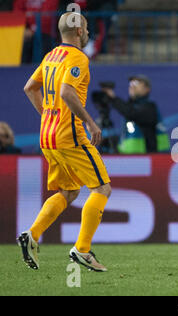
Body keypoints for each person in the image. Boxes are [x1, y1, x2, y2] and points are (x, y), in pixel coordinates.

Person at [19, 12, 111, 272]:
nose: (89, 32)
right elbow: (66, 92)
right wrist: (91, 123)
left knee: (69, 192)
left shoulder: (50, 56)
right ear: (80, 32)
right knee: (102, 188)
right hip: (69, 135)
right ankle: (82, 250)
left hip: (47, 135)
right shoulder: (78, 57)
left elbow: (29, 87)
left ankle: (32, 235)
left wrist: (48, 115)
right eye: (87, 28)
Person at [103, 74, 165, 153]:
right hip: (129, 158)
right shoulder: (131, 106)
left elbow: (131, 113)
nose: (132, 86)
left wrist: (113, 99)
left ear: (147, 89)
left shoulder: (150, 107)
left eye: (136, 83)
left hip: (149, 158)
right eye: (131, 83)